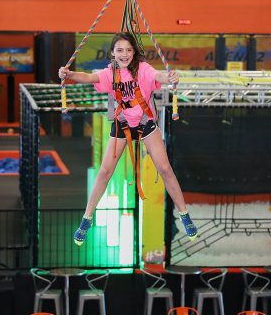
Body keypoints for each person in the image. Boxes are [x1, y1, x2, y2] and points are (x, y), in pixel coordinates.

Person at [59, 32, 198, 245]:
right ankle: (87, 217)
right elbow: (88, 77)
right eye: (120, 50)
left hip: (145, 123)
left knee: (165, 169)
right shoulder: (110, 73)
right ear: (113, 54)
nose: (125, 54)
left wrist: (170, 78)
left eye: (129, 50)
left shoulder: (144, 70)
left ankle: (184, 214)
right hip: (122, 124)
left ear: (135, 52)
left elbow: (159, 77)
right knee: (105, 171)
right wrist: (68, 74)